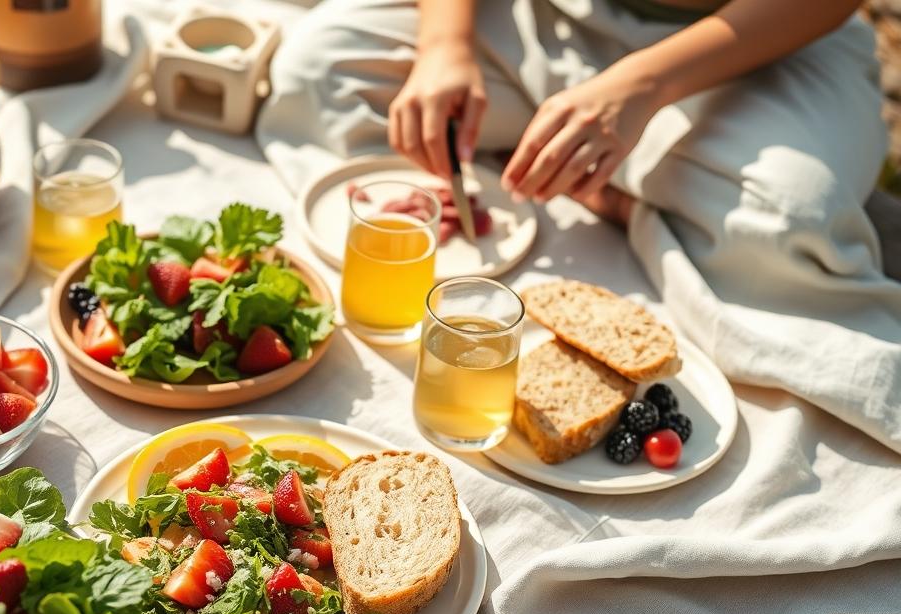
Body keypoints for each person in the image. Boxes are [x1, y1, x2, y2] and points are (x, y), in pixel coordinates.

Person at [257, 0, 901, 454]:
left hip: (753, 41)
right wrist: (444, 46)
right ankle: (610, 168)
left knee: (792, 217)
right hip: (538, 17)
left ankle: (608, 180)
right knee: (316, 70)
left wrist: (641, 87)